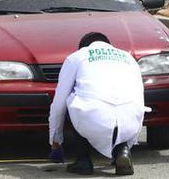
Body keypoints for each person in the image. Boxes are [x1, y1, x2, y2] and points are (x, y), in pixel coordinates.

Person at [48, 32, 147, 175]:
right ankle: (122, 152)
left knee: (72, 98)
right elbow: (139, 100)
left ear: (83, 47)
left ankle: (83, 160)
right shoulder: (129, 58)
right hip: (130, 121)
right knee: (122, 103)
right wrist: (130, 142)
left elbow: (59, 103)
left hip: (92, 118)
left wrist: (55, 139)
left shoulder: (78, 56)